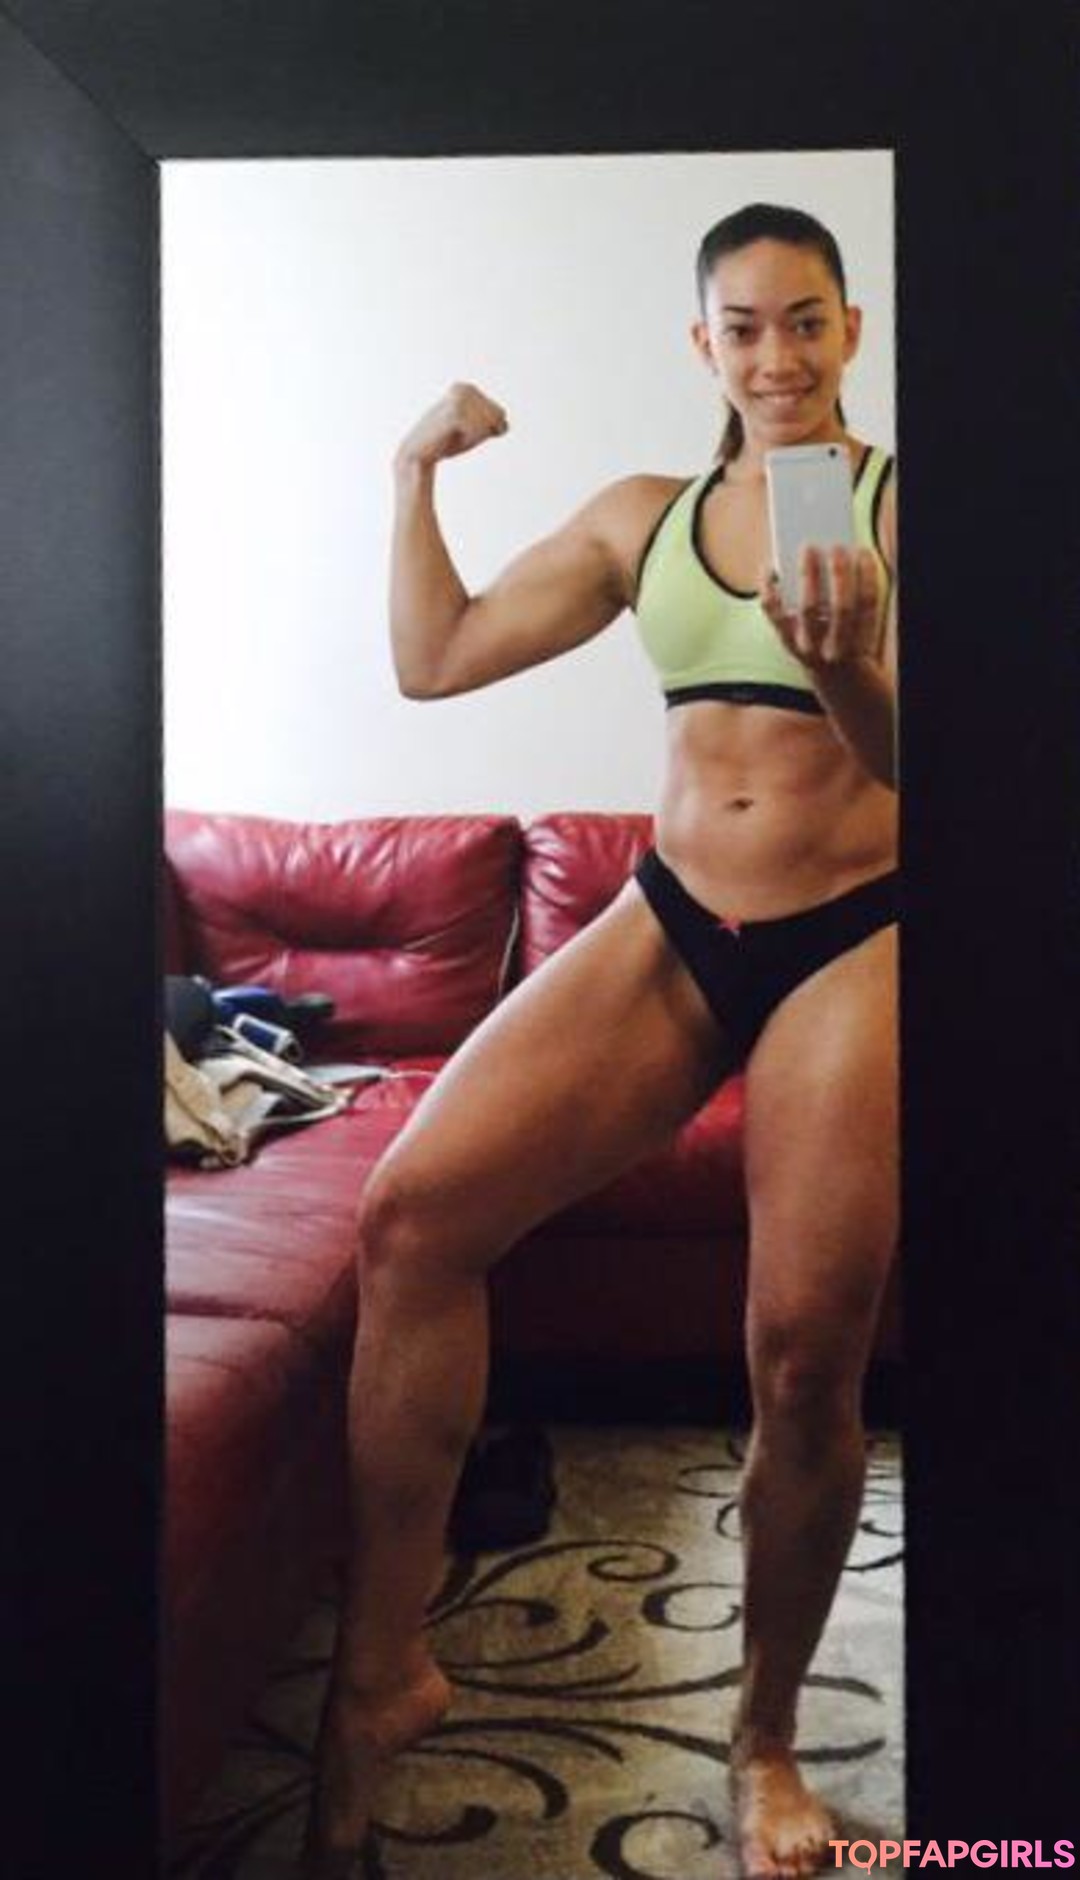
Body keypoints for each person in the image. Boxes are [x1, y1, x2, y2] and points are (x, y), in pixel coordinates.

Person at [302, 201, 899, 1880]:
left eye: (806, 321)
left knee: (804, 1357)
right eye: (744, 328)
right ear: (703, 344)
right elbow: (433, 661)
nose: (776, 357)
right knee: (413, 1220)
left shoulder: (910, 508)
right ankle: (386, 1667)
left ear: (849, 330)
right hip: (678, 913)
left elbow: (946, 768)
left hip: (859, 930)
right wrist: (412, 474)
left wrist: (845, 665)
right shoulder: (645, 518)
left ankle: (764, 1738)